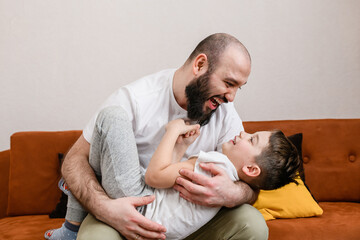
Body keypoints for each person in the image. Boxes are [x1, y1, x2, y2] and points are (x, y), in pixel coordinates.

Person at [48, 33, 270, 240]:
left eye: (238, 88)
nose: (231, 97)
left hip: (182, 222)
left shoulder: (225, 113)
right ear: (200, 65)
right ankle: (74, 229)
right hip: (127, 212)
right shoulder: (136, 99)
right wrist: (105, 208)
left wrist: (232, 193)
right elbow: (74, 160)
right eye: (229, 83)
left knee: (253, 224)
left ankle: (71, 226)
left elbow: (252, 178)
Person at [46, 113, 300, 240]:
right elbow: (172, 186)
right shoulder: (226, 179)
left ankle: (71, 225)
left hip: (140, 204)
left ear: (252, 170)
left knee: (111, 116)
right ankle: (77, 198)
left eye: (251, 139)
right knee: (106, 140)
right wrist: (179, 148)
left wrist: (172, 130)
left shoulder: (213, 164)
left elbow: (156, 178)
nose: (242, 134)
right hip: (157, 220)